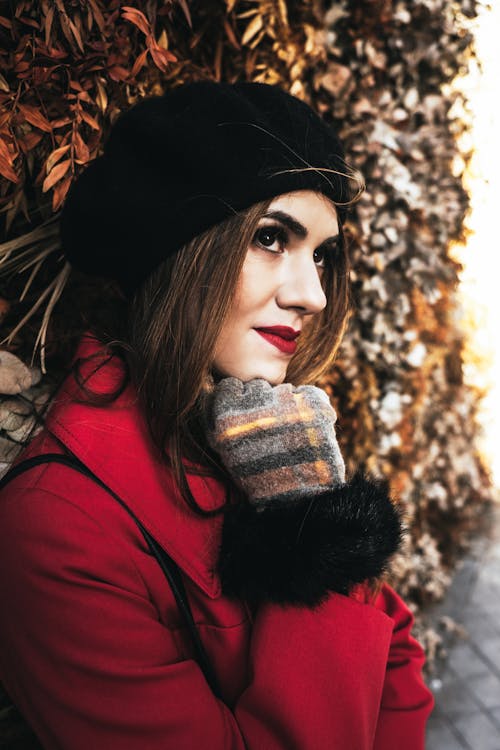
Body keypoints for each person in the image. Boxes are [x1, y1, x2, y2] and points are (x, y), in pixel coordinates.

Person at [0, 81, 434, 749]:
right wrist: (306, 541)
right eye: (269, 237)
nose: (313, 293)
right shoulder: (59, 526)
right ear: (176, 256)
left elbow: (399, 658)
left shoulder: (267, 435)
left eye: (320, 253)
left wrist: (307, 513)